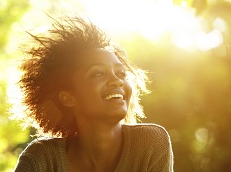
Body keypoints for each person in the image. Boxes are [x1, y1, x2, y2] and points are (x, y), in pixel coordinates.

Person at [12, 16, 174, 172]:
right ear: (68, 97)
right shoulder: (42, 159)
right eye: (98, 74)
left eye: (121, 73)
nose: (116, 81)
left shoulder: (150, 143)